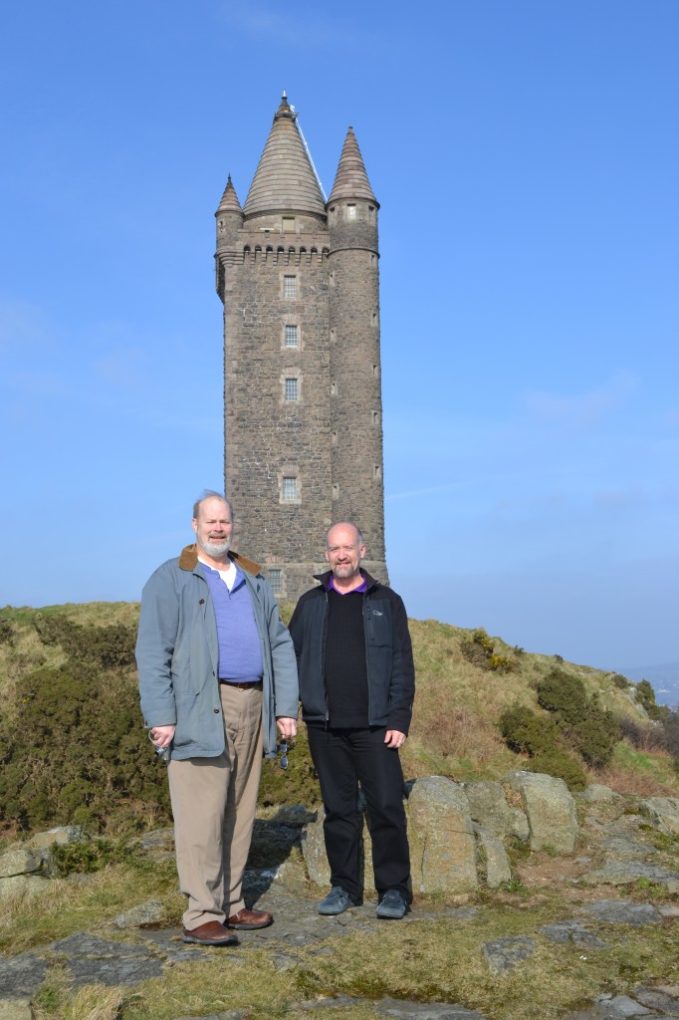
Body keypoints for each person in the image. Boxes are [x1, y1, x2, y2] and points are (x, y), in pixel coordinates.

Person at [136, 491, 298, 946]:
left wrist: (285, 707)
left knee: (240, 810)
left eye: (225, 521)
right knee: (200, 814)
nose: (218, 528)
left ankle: (231, 904)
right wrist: (161, 716)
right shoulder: (170, 579)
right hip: (196, 709)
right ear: (194, 525)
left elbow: (280, 644)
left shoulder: (254, 581)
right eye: (210, 521)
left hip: (254, 706)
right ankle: (201, 913)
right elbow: (152, 653)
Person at [288, 521, 415, 920]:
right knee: (338, 810)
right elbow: (289, 661)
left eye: (348, 547)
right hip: (324, 726)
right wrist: (285, 710)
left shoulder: (387, 601)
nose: (341, 555)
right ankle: (344, 887)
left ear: (362, 550)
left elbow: (401, 664)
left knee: (386, 807)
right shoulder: (309, 604)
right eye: (334, 549)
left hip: (376, 726)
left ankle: (395, 890)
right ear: (326, 555)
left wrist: (399, 717)